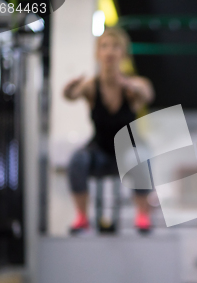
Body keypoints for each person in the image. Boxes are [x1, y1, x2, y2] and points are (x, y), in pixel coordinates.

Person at [63, 27, 155, 233]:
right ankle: (81, 217)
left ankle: (142, 216)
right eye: (105, 46)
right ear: (98, 53)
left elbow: (148, 95)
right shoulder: (91, 86)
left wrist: (131, 85)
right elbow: (71, 95)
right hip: (100, 153)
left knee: (142, 157)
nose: (110, 51)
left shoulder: (133, 86)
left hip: (127, 155)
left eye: (116, 47)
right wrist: (69, 88)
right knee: (77, 160)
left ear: (123, 53)